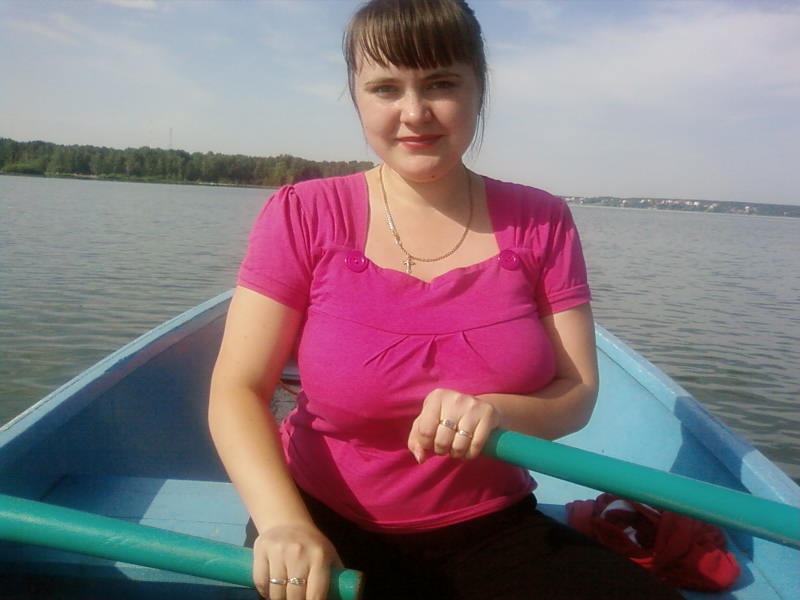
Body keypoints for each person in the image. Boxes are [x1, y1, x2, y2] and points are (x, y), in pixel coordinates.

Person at [208, 1, 684, 598]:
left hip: (490, 527)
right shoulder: (303, 213)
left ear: (479, 88)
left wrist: (499, 411)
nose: (414, 113)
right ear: (356, 97)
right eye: (386, 88)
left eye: (440, 84)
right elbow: (237, 389)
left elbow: (577, 393)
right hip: (318, 518)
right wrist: (283, 523)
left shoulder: (542, 221)